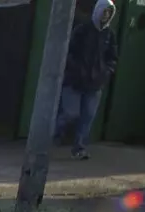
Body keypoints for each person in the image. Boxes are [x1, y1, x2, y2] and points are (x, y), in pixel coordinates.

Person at [56, 0, 118, 160]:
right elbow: (69, 51)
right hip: (74, 81)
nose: (106, 15)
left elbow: (112, 57)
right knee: (70, 113)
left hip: (95, 84)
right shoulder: (83, 30)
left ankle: (79, 148)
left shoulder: (109, 35)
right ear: (98, 11)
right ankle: (51, 133)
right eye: (104, 11)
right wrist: (77, 70)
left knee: (88, 117)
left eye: (109, 13)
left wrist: (106, 72)